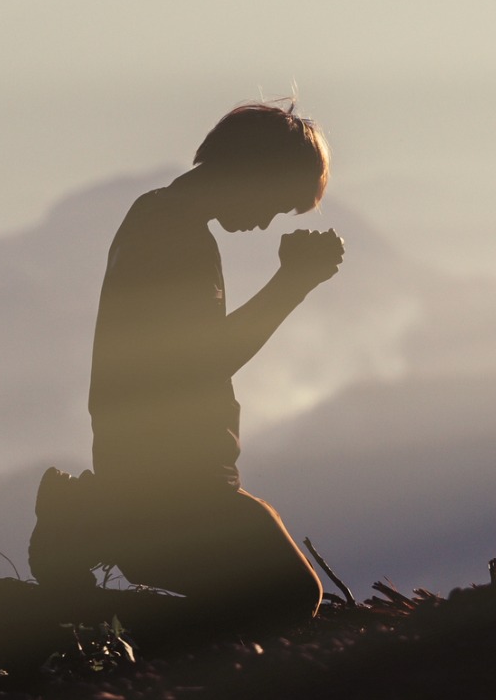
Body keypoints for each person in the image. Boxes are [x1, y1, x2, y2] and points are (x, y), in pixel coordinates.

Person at [28, 101, 343, 631]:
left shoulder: (156, 217)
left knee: (275, 586)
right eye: (275, 202)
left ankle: (92, 515)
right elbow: (202, 362)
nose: (267, 221)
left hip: (150, 476)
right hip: (175, 493)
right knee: (292, 594)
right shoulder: (176, 236)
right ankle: (94, 521)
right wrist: (293, 282)